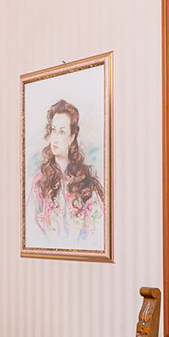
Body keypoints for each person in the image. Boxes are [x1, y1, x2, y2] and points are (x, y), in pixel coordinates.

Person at [30, 98, 105, 245]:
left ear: (72, 137)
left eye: (62, 132)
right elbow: (32, 229)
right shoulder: (39, 182)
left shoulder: (87, 181)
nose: (55, 138)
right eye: (53, 130)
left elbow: (97, 229)